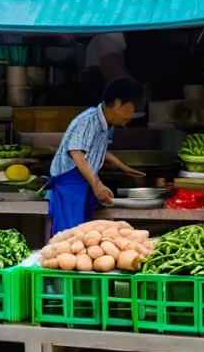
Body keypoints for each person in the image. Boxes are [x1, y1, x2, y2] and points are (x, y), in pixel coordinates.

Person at [48, 77, 146, 236]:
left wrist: (123, 167)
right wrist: (97, 185)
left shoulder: (109, 124)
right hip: (69, 183)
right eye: (129, 110)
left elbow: (98, 150)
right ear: (117, 104)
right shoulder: (88, 120)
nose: (130, 116)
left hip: (84, 181)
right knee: (69, 236)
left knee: (86, 234)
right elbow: (77, 153)